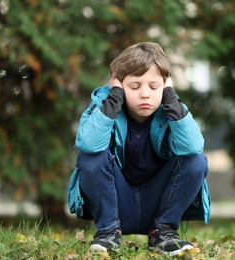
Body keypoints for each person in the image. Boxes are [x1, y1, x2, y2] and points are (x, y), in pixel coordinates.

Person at [67, 42, 210, 256]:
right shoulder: (105, 106)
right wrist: (113, 98)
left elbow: (193, 147)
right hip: (116, 202)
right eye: (135, 86)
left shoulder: (173, 108)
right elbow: (88, 144)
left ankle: (164, 232)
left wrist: (170, 98)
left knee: (196, 160)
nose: (145, 94)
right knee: (91, 157)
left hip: (159, 203)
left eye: (154, 87)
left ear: (165, 85)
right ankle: (108, 233)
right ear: (119, 85)